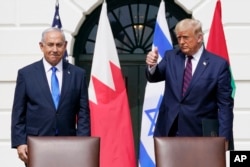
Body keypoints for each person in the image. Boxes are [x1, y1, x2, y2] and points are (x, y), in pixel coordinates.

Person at [146, 18, 234, 150]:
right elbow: (154, 76)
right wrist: (152, 65)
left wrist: (224, 140)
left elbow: (225, 107)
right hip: (169, 133)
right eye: (179, 38)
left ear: (199, 38)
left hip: (201, 135)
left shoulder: (218, 65)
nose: (181, 42)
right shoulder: (171, 57)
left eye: (186, 37)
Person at [11, 27, 90, 164]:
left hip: (69, 145)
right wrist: (20, 142)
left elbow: (83, 112)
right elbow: (18, 112)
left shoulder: (78, 74)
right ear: (42, 46)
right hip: (35, 145)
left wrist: (81, 142)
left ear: (65, 46)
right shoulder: (26, 74)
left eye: (59, 45)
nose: (55, 49)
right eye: (50, 44)